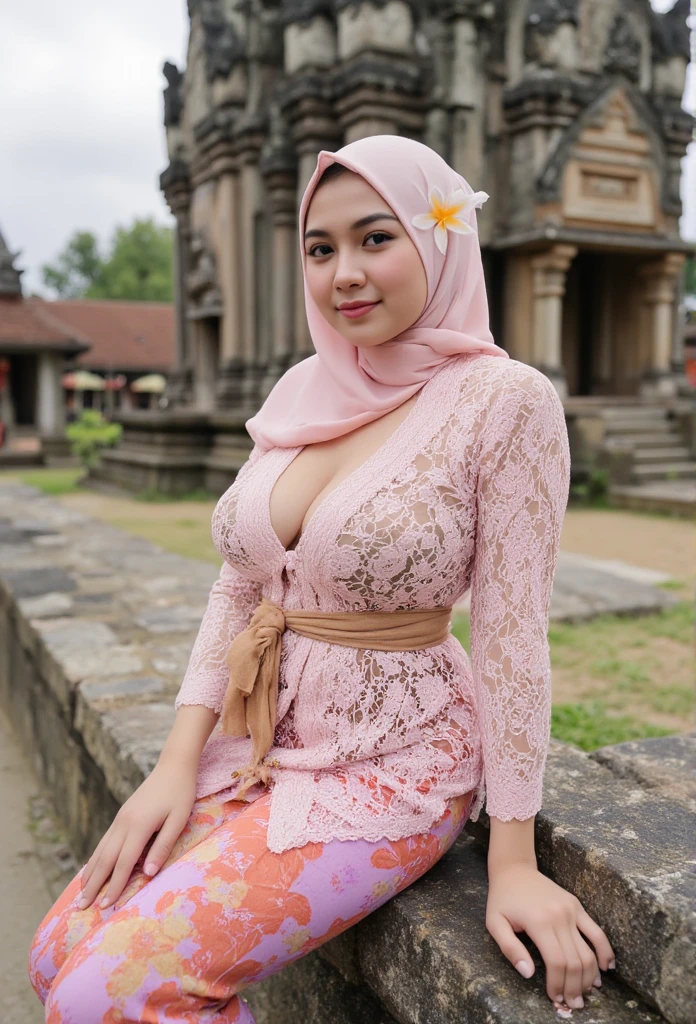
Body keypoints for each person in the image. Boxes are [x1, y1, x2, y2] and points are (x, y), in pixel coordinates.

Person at [28, 135, 614, 1022]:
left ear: (440, 239)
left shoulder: (506, 402)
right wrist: (175, 766)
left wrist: (514, 861)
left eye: (377, 238)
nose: (344, 272)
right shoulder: (307, 387)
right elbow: (241, 586)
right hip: (261, 742)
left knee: (105, 998)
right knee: (52, 960)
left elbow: (511, 634)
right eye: (320, 247)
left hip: (396, 759)